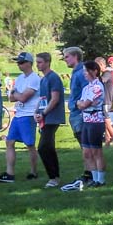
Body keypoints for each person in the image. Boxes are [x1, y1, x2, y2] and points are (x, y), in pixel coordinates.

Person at [0, 52, 42, 183]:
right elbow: (11, 97)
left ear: (29, 63)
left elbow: (23, 97)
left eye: (21, 62)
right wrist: (17, 94)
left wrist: (17, 94)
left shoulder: (34, 79)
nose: (18, 65)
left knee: (29, 144)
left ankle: (33, 172)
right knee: (9, 142)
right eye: (18, 62)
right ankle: (10, 173)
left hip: (28, 114)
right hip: (19, 113)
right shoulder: (20, 78)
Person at [64, 60, 107, 191]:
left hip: (96, 122)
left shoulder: (97, 87)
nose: (84, 74)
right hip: (86, 120)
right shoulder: (86, 88)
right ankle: (94, 178)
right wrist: (82, 103)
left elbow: (83, 104)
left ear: (94, 71)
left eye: (86, 71)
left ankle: (101, 180)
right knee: (87, 152)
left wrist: (82, 103)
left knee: (96, 151)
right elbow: (80, 103)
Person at [35, 52, 65, 189]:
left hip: (52, 117)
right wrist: (37, 112)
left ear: (47, 62)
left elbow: (55, 99)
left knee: (43, 147)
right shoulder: (43, 80)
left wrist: (44, 113)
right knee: (49, 148)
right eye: (37, 62)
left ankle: (53, 177)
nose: (37, 65)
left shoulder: (53, 78)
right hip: (45, 118)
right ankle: (55, 176)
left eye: (40, 62)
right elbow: (42, 99)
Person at [63, 46, 91, 186]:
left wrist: (79, 105)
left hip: (80, 114)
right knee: (84, 146)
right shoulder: (76, 72)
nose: (65, 59)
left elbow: (88, 91)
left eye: (67, 57)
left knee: (86, 147)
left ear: (75, 57)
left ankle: (90, 174)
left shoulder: (81, 73)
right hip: (76, 114)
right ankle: (89, 173)